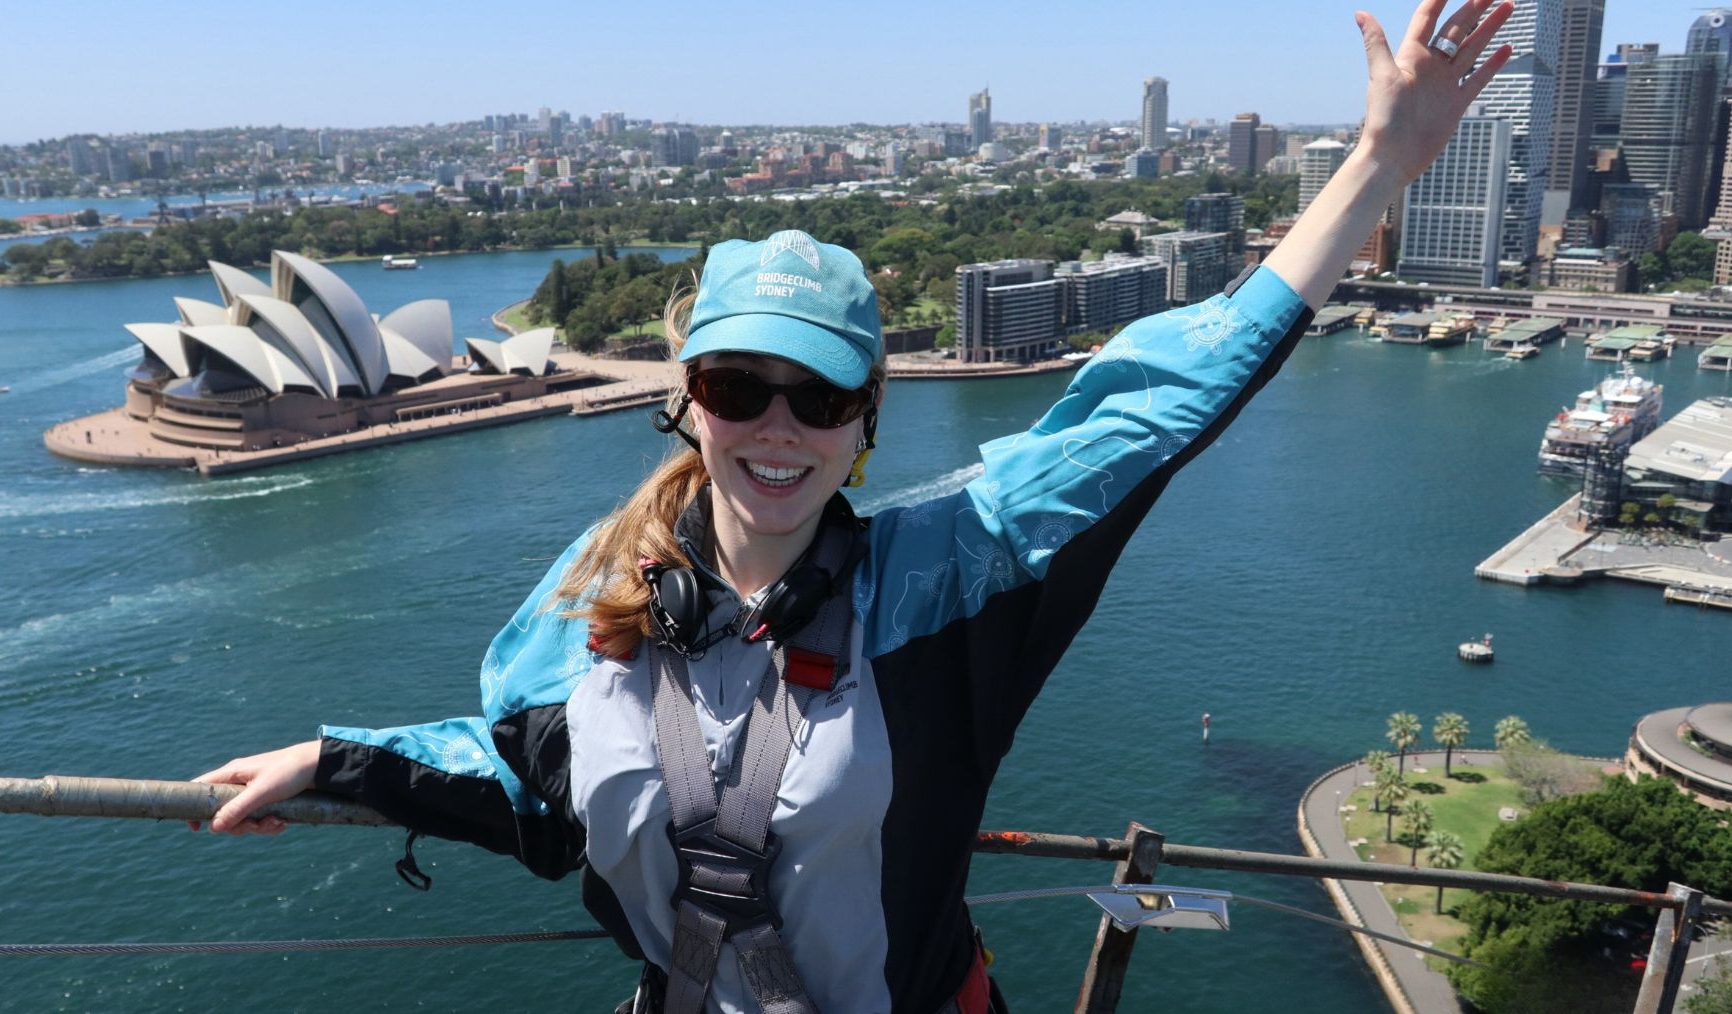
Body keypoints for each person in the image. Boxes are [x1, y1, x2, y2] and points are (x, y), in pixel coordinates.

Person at [195, 3, 1512, 1009]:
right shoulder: (594, 600)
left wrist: (1377, 167)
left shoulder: (951, 580)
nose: (777, 425)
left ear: (868, 423)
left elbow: (1150, 404)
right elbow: (528, 769)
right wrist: (338, 757)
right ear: (686, 396)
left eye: (818, 399)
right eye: (739, 384)